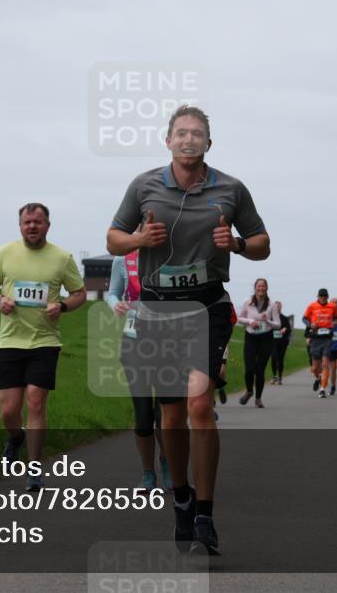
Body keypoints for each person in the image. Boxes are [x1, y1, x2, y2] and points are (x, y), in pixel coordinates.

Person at [107, 104, 270, 556]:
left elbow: (262, 244)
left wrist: (237, 243)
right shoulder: (144, 186)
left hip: (207, 306)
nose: (189, 139)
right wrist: (139, 240)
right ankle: (180, 495)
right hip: (158, 310)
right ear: (168, 141)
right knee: (173, 414)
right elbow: (113, 239)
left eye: (197, 133)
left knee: (200, 405)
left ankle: (204, 514)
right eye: (181, 132)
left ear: (208, 143)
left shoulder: (231, 189)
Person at [0, 203, 87, 492]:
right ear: (20, 225)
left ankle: (35, 469)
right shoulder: (5, 253)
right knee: (8, 411)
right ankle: (16, 438)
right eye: (27, 222)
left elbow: (79, 294)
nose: (32, 226)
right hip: (10, 341)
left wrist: (62, 306)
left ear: (47, 226)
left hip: (45, 341)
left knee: (36, 402)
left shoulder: (62, 258)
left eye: (38, 222)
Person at [106, 250, 172, 491]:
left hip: (167, 342)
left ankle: (167, 463)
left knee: (164, 413)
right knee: (143, 414)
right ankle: (147, 472)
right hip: (134, 342)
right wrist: (116, 304)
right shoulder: (122, 260)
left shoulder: (171, 254)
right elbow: (112, 293)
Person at [236, 279, 280, 408]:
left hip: (266, 338)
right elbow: (239, 318)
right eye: (259, 286)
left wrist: (268, 322)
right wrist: (250, 321)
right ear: (255, 287)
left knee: (260, 369)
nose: (261, 288)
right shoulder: (248, 302)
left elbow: (278, 324)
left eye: (263, 286)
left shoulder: (272, 305)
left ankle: (258, 399)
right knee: (249, 369)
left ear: (266, 288)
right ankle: (249, 391)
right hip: (251, 337)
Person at [303, 288, 337, 398]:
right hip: (315, 338)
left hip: (327, 338)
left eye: (324, 296)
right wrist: (310, 325)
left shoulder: (332, 306)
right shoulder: (312, 306)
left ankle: (322, 389)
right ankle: (318, 377)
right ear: (318, 296)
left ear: (327, 297)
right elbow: (304, 319)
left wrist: (334, 323)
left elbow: (336, 318)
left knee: (325, 364)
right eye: (321, 296)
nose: (323, 298)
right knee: (314, 368)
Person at [270, 301, 291, 385]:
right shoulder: (270, 318)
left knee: (280, 359)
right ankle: (274, 376)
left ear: (281, 307)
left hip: (282, 342)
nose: (277, 308)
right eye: (276, 306)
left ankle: (280, 377)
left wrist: (285, 329)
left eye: (279, 306)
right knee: (273, 358)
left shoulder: (285, 318)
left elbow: (289, 329)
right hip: (272, 342)